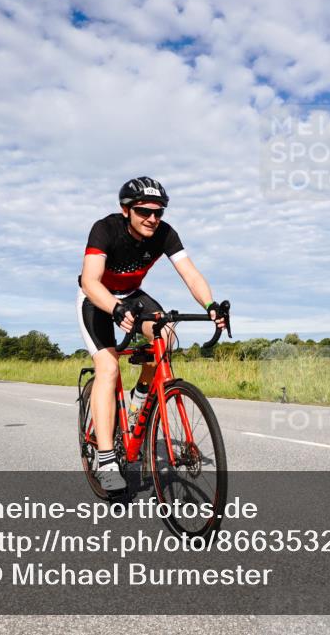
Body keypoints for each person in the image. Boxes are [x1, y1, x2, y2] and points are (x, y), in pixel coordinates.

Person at [77, 177, 225, 492]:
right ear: (126, 210)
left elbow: (191, 274)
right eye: (144, 211)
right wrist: (115, 309)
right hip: (97, 298)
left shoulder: (165, 233)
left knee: (166, 336)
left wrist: (211, 304)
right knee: (109, 367)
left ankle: (140, 399)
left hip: (133, 294)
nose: (152, 219)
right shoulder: (105, 229)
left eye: (158, 212)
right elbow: (90, 280)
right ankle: (106, 460)